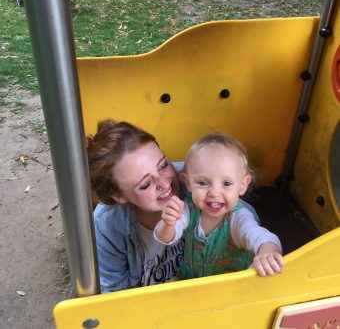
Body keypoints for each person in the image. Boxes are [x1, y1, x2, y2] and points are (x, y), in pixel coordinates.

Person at [87, 120, 262, 292]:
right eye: (146, 184)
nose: (165, 184)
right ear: (119, 195)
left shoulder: (194, 182)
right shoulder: (108, 224)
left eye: (163, 165)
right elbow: (115, 295)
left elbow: (243, 215)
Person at [154, 133, 284, 279]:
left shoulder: (238, 218)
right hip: (189, 281)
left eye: (226, 184)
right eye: (202, 183)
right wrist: (168, 224)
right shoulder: (187, 209)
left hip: (227, 289)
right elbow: (166, 238)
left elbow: (262, 237)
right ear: (188, 183)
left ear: (242, 185)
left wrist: (267, 253)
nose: (214, 193)